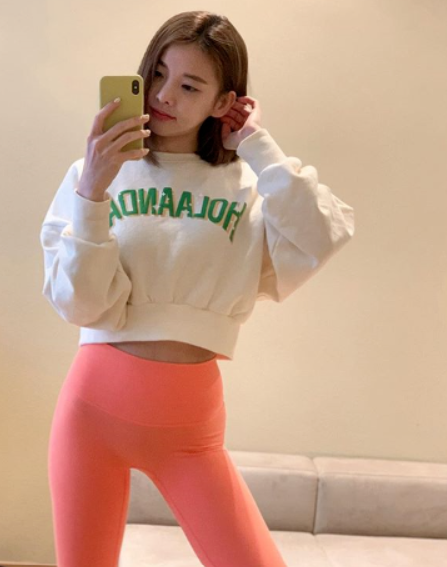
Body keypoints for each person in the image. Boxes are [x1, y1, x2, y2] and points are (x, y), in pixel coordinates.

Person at [39, 10, 355, 567]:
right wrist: (92, 192)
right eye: (158, 74)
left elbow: (322, 236)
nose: (164, 96)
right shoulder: (95, 175)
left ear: (222, 101)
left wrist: (256, 145)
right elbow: (80, 304)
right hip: (91, 411)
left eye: (189, 86)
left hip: (190, 426)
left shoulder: (247, 183)